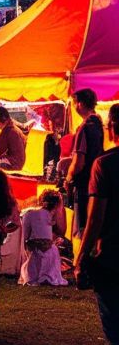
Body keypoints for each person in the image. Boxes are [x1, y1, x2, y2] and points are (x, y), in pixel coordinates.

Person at [77, 100, 119, 345]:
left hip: (113, 259)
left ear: (112, 128)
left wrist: (81, 258)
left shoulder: (105, 164)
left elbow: (95, 219)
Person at [68, 89, 105, 245]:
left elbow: (79, 161)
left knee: (82, 225)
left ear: (80, 104)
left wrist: (69, 177)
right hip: (94, 180)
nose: (74, 107)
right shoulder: (98, 124)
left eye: (75, 103)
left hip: (83, 183)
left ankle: (82, 261)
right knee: (93, 223)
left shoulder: (85, 127)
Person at [20, 189, 68, 286]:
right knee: (52, 248)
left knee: (37, 248)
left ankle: (33, 275)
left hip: (33, 250)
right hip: (48, 251)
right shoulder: (50, 216)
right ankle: (47, 275)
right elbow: (61, 231)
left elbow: (25, 235)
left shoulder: (28, 213)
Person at [0, 106, 27, 170]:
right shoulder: (16, 129)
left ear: (3, 118)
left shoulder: (8, 131)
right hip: (19, 162)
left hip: (13, 163)